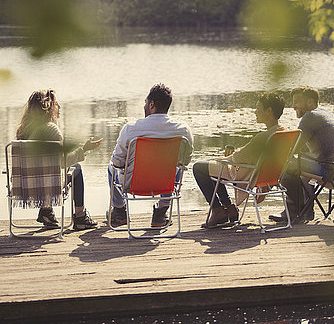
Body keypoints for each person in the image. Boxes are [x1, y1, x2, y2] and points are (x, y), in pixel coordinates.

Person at [193, 92, 286, 228]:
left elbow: (237, 157)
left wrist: (224, 157)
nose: (255, 112)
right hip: (265, 175)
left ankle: (218, 210)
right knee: (211, 162)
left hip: (246, 174)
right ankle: (229, 209)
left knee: (198, 167)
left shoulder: (264, 137)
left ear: (269, 111)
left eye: (258, 108)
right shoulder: (284, 132)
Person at [108, 83, 193, 228]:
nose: (144, 106)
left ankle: (120, 212)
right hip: (165, 184)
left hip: (133, 184)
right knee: (177, 168)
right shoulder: (182, 130)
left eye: (145, 103)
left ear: (152, 104)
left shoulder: (131, 128)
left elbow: (117, 162)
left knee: (111, 168)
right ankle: (161, 212)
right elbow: (185, 161)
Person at [16, 89, 102, 230]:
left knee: (45, 170)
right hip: (47, 187)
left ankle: (46, 211)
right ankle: (80, 217)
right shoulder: (51, 130)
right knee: (77, 169)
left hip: (25, 186)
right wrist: (84, 149)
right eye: (56, 103)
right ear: (48, 107)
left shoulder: (22, 131)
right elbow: (63, 162)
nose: (59, 106)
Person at [269, 86, 334, 224]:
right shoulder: (325, 114)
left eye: (297, 101)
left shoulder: (310, 116)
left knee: (285, 163)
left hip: (330, 172)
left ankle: (293, 212)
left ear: (310, 103)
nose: (293, 105)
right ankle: (306, 211)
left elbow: (293, 148)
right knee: (299, 164)